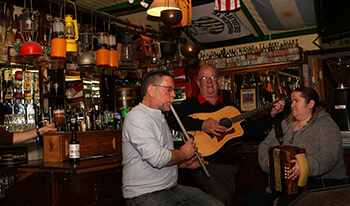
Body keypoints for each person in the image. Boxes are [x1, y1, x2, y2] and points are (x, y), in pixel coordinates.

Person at [167, 64, 285, 206]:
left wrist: (272, 115)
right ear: (198, 83)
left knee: (227, 200)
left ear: (219, 81)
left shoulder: (231, 107)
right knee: (220, 198)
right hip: (200, 163)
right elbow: (171, 120)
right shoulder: (189, 104)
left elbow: (251, 130)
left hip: (228, 168)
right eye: (204, 78)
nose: (209, 81)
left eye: (213, 77)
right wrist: (202, 125)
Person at [121, 69, 224, 206]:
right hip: (145, 194)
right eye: (169, 89)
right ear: (151, 91)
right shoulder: (137, 117)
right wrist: (184, 153)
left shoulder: (160, 116)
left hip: (170, 188)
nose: (174, 94)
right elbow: (157, 158)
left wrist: (183, 163)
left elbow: (164, 158)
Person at [245, 87, 347, 206]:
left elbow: (330, 154)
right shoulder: (285, 125)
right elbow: (264, 145)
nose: (292, 105)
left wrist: (304, 165)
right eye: (291, 102)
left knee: (286, 203)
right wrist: (267, 161)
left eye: (296, 101)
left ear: (311, 104)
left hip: (323, 182)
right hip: (284, 180)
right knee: (251, 198)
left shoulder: (326, 125)